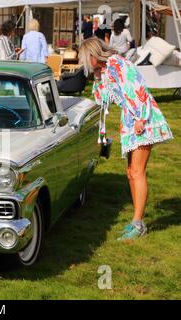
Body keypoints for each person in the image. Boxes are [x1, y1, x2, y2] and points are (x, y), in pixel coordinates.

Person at [78, 38, 173, 240]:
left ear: (94, 55)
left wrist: (140, 117)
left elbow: (138, 88)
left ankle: (138, 225)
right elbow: (102, 100)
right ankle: (136, 222)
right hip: (130, 120)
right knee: (130, 172)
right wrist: (97, 78)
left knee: (137, 171)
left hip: (142, 119)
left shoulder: (117, 63)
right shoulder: (105, 70)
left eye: (86, 58)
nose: (85, 62)